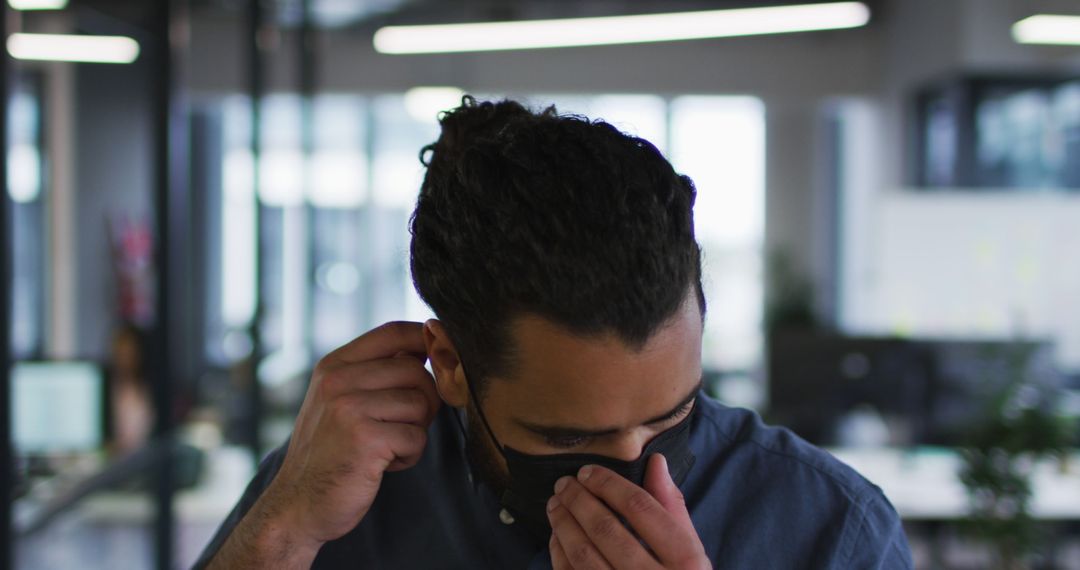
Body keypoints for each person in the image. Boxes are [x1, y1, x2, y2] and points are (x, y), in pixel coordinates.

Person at [195, 97, 912, 569]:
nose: (641, 471)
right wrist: (283, 531)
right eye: (570, 440)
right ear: (449, 364)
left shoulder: (832, 532)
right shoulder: (346, 486)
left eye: (672, 416)